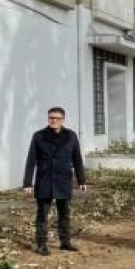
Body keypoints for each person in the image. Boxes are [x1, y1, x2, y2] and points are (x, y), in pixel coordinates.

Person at [23, 107, 87, 255]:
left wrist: (81, 180)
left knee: (64, 213)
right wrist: (27, 183)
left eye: (57, 118)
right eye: (51, 118)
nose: (53, 120)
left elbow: (77, 159)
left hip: (63, 180)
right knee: (42, 214)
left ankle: (65, 242)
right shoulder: (38, 136)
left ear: (62, 120)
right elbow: (31, 160)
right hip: (44, 179)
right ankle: (41, 244)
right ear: (48, 119)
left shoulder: (71, 136)